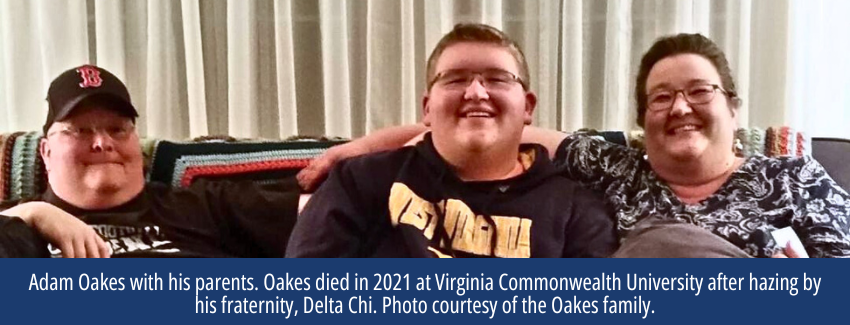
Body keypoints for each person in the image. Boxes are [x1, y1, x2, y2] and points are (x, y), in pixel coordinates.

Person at [298, 33, 850, 258]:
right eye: (660, 97)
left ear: (733, 106)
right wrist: (355, 150)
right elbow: (489, 125)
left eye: (699, 91)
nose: (680, 108)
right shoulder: (612, 167)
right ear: (642, 120)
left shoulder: (794, 177)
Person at [286, 23, 617, 258]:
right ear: (427, 108)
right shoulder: (360, 181)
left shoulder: (576, 211)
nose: (476, 92)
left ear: (527, 107)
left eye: (497, 79)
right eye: (455, 79)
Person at [0, 65, 306, 258]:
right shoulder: (16, 224)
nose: (102, 142)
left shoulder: (204, 205)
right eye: (80, 130)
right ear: (46, 151)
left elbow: (325, 210)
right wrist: (32, 214)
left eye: (117, 129)